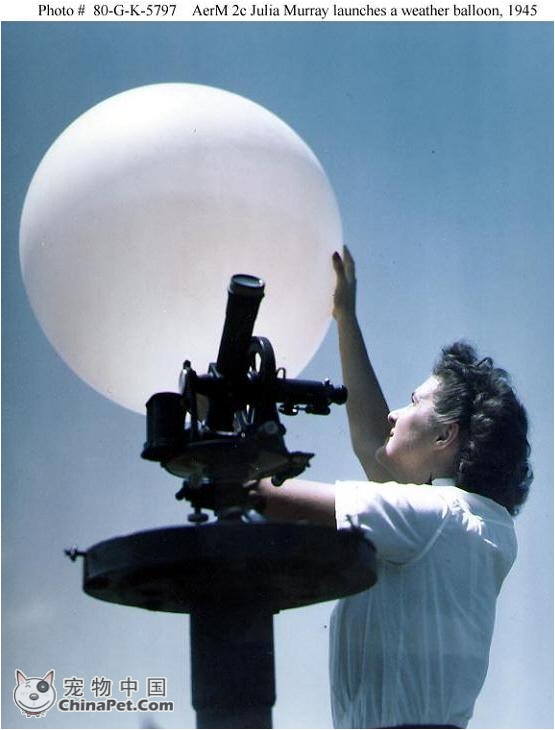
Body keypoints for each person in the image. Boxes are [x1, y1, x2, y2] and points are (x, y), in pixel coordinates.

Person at [249, 247, 532, 729]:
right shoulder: (472, 524)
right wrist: (345, 317)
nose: (396, 415)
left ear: (444, 436)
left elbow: (269, 498)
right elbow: (374, 444)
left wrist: (217, 445)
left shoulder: (435, 518)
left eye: (413, 402)